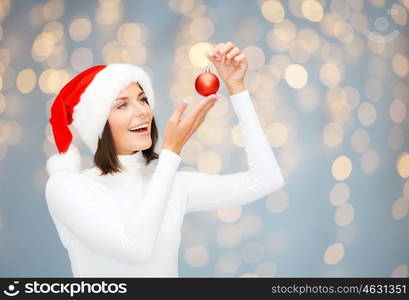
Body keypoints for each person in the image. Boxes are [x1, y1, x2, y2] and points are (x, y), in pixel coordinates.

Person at [45, 41, 284, 277]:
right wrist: (171, 154)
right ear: (98, 124)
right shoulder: (67, 187)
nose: (141, 111)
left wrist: (237, 89)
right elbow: (135, 248)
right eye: (121, 105)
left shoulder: (171, 185)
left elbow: (266, 180)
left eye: (142, 99)